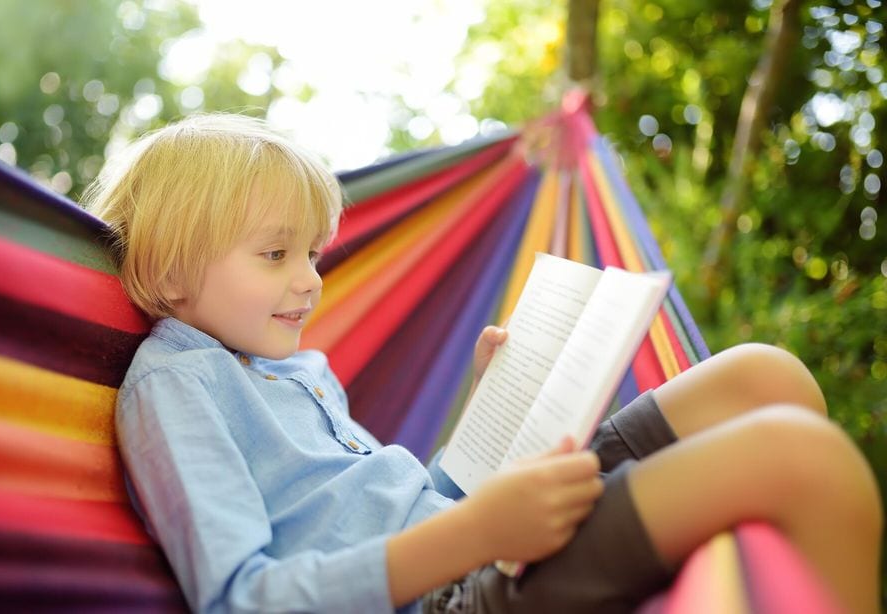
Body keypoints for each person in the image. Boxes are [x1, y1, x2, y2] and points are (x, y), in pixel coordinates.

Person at [85, 113, 882, 614]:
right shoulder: (177, 386)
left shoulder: (296, 368)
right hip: (456, 593)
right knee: (797, 459)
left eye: (314, 253)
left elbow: (405, 504)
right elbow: (244, 600)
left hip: (477, 538)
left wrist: (488, 410)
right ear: (172, 268)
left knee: (759, 376)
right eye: (275, 254)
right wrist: (475, 532)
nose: (309, 279)